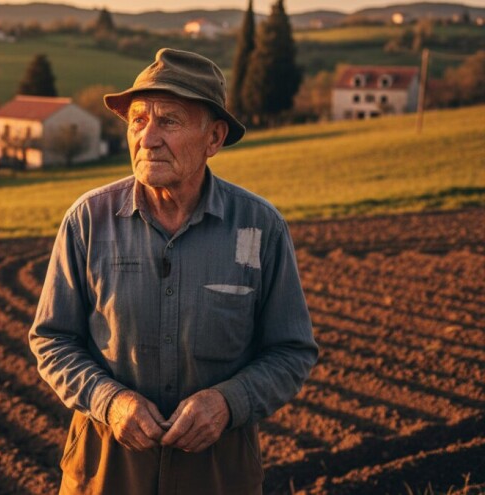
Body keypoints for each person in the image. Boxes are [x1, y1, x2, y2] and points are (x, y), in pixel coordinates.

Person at [28, 48, 318, 495]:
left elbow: (291, 351)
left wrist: (228, 402)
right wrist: (110, 402)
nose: (148, 138)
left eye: (170, 121)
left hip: (219, 474)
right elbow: (51, 339)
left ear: (214, 138)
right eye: (138, 120)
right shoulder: (88, 220)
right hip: (106, 471)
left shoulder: (260, 228)